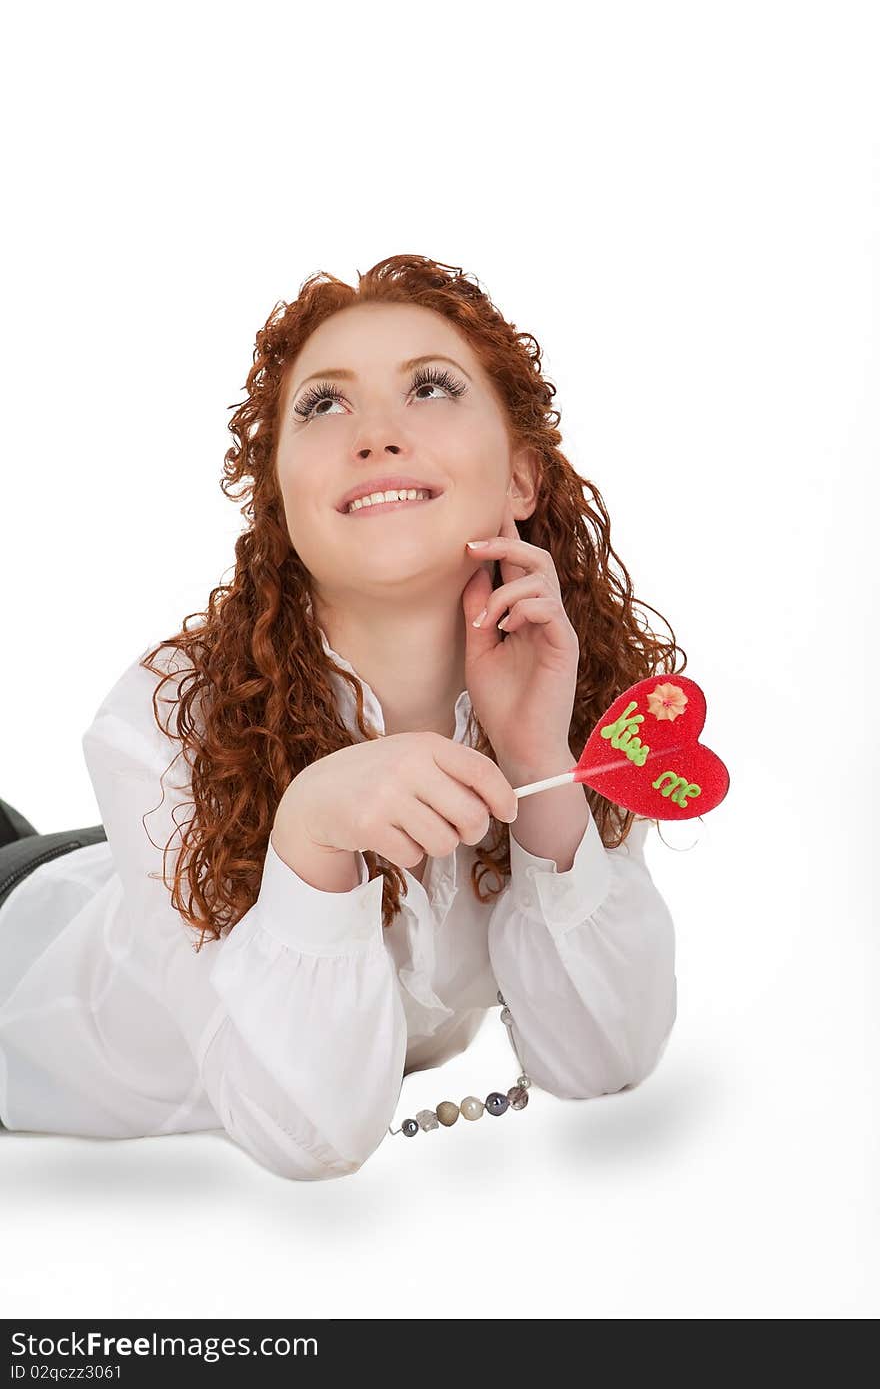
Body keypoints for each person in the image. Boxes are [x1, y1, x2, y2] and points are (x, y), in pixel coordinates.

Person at [0, 254, 681, 1179]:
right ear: (279, 497)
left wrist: (535, 759)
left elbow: (605, 1062)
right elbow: (310, 1135)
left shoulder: (573, 698)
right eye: (324, 405)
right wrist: (313, 835)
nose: (376, 435)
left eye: (431, 388)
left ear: (522, 478)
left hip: (105, 872)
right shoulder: (160, 725)